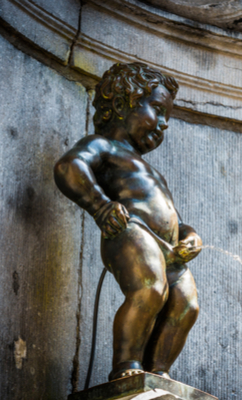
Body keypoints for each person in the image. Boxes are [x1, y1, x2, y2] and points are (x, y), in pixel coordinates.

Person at [54, 62, 202, 381]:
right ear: (123, 105)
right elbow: (70, 166)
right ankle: (127, 367)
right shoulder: (104, 146)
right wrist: (100, 207)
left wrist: (190, 237)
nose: (163, 124)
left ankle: (158, 374)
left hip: (169, 249)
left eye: (168, 117)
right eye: (158, 111)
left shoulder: (154, 173)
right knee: (149, 289)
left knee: (186, 305)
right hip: (129, 229)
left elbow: (174, 218)